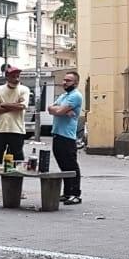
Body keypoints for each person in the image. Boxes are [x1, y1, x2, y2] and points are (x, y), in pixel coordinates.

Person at [0, 66, 30, 199]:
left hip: (17, 130)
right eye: (13, 76)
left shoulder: (24, 89)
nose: (16, 78)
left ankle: (18, 189)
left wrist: (3, 105)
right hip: (0, 130)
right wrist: (13, 105)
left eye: (18, 76)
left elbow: (22, 107)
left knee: (17, 160)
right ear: (7, 77)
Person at [47, 70, 84, 205]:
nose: (64, 82)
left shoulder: (76, 96)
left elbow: (59, 110)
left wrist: (60, 110)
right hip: (57, 134)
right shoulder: (63, 96)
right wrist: (58, 110)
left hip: (67, 136)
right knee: (63, 165)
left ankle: (75, 193)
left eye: (68, 81)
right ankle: (67, 192)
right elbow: (50, 108)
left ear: (76, 83)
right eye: (64, 80)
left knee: (71, 165)